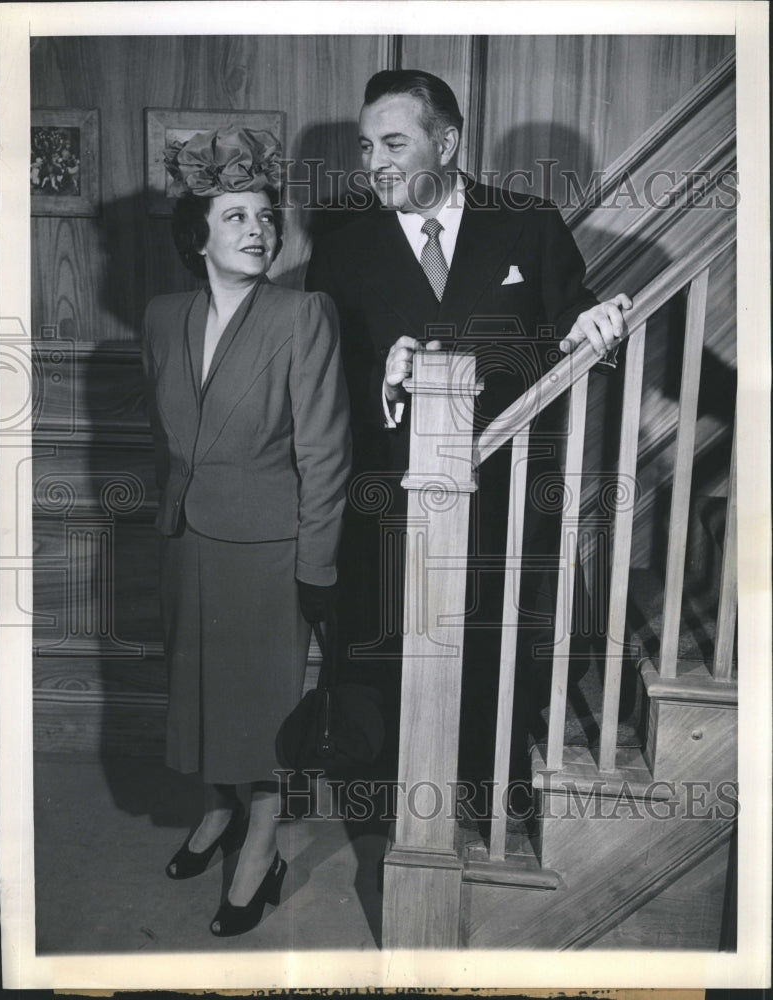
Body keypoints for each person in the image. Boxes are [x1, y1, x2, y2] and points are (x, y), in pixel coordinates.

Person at [306, 70, 632, 816]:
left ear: (446, 142)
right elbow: (320, 373)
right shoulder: (341, 240)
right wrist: (378, 381)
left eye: (394, 142)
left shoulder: (528, 222)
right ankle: (391, 802)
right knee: (390, 647)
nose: (374, 161)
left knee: (497, 645)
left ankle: (495, 784)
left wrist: (587, 327)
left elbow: (568, 316)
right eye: (365, 146)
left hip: (503, 492)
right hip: (389, 490)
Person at [142, 126, 350, 936]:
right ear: (198, 234)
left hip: (271, 551)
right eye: (236, 217)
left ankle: (260, 845)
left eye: (266, 216)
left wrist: (318, 566)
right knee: (197, 694)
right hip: (186, 538)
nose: (259, 230)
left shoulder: (304, 315)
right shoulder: (163, 317)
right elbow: (166, 430)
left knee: (261, 709)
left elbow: (327, 452)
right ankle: (216, 812)